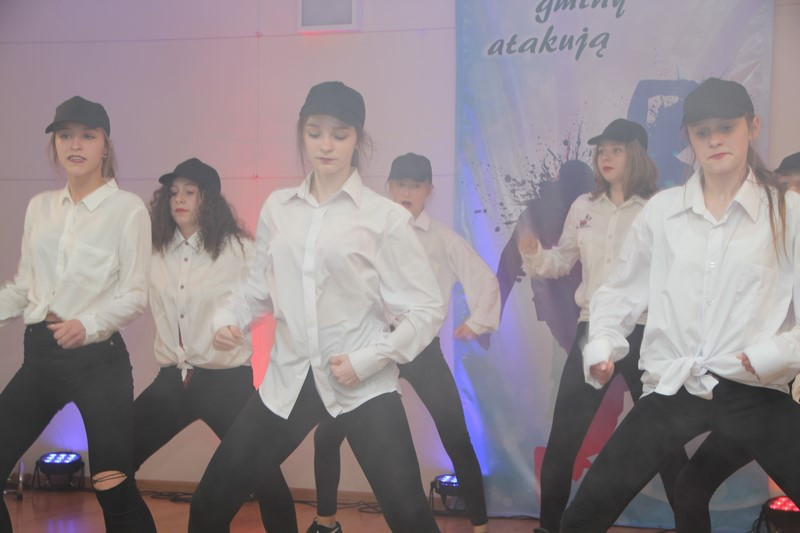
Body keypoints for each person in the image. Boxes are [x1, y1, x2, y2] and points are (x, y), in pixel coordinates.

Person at [187, 81, 445, 533]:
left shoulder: (384, 217)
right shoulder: (278, 208)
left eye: (339, 134)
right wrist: (229, 319)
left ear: (358, 139)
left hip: (361, 382)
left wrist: (369, 360)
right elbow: (256, 288)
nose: (326, 145)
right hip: (289, 380)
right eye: (315, 132)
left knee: (412, 520)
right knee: (208, 506)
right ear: (301, 133)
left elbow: (426, 309)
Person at [559, 77, 800, 532]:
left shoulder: (787, 212)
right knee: (585, 514)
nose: (715, 140)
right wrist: (602, 345)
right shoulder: (663, 211)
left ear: (752, 127)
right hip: (674, 388)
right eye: (702, 131)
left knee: (693, 486)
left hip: (754, 389)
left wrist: (771, 355)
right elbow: (619, 290)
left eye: (726, 127)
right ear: (689, 137)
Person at [308, 153, 501, 533]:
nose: (407, 193)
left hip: (421, 348)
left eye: (415, 186)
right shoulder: (367, 232)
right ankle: (325, 521)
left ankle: (480, 527)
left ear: (429, 190)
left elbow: (485, 280)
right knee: (328, 434)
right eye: (400, 185)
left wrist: (476, 322)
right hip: (373, 352)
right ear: (389, 187)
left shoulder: (442, 238)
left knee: (455, 435)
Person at [518, 119, 686, 533]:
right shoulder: (584, 206)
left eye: (616, 149)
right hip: (592, 330)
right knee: (564, 438)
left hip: (645, 332)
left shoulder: (659, 207)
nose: (605, 157)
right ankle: (549, 528)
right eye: (601, 151)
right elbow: (563, 261)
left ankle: (691, 523)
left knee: (664, 439)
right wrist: (535, 254)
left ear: (637, 154)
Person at [0, 96, 156, 532]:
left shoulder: (128, 209)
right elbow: (25, 287)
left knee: (112, 484)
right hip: (41, 358)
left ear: (105, 145)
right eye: (65, 135)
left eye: (88, 135)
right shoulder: (40, 206)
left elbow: (135, 295)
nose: (75, 144)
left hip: (99, 363)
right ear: (55, 144)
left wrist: (87, 325)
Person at [133, 157, 296, 531]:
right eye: (173, 193)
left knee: (267, 479)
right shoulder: (154, 251)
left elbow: (269, 295)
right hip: (172, 381)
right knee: (114, 462)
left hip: (226, 384)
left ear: (209, 199)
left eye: (190, 192)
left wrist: (236, 322)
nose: (179, 199)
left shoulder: (239, 250)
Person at [668, 150, 800, 533]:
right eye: (785, 189)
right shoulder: (761, 246)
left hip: (785, 407)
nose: (790, 198)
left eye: (797, 189)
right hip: (759, 400)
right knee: (690, 487)